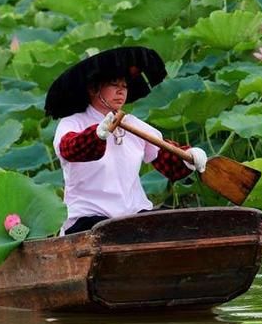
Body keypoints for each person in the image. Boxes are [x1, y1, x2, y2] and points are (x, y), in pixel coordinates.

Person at [45, 47, 208, 235]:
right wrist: (96, 134)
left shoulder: (132, 124)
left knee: (176, 231)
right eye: (114, 84)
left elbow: (167, 160)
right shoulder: (73, 123)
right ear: (93, 89)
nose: (121, 91)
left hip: (134, 214)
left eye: (124, 85)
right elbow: (69, 149)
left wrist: (189, 157)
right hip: (88, 217)